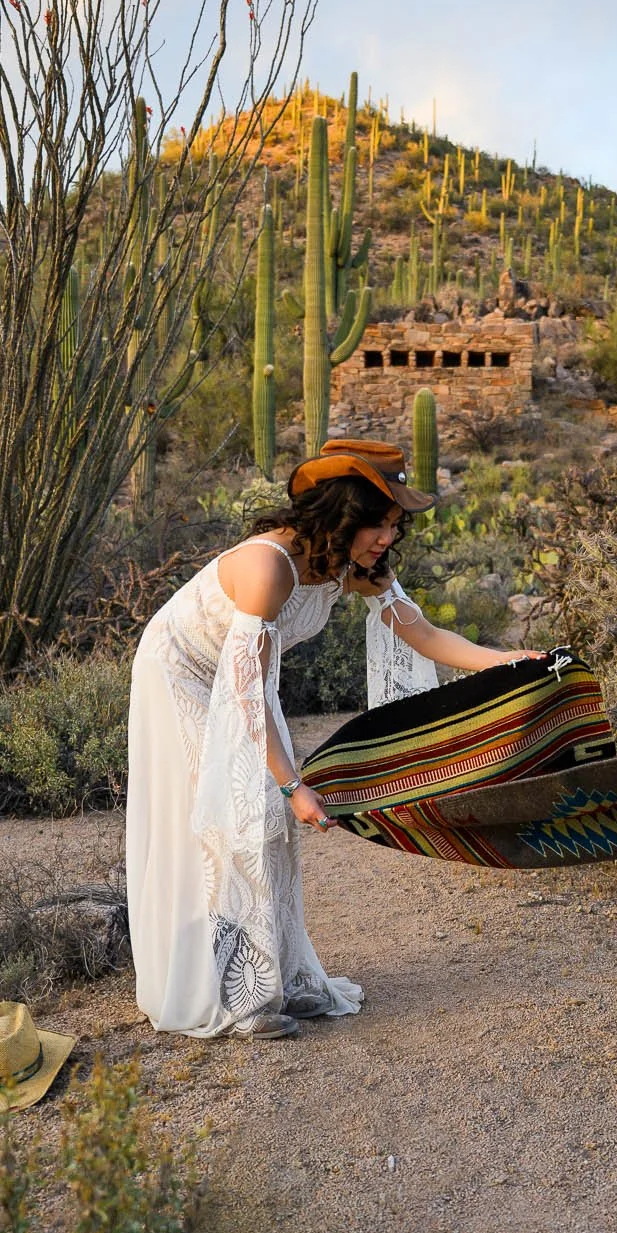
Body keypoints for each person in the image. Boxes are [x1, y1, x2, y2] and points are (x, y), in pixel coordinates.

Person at [126, 439, 539, 1040]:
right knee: (237, 815)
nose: (387, 539)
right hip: (183, 674)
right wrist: (293, 784)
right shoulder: (269, 566)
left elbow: (419, 632)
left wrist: (505, 663)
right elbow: (243, 688)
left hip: (242, 678)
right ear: (344, 513)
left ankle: (275, 979)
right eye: (379, 523)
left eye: (395, 525)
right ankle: (227, 994)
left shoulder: (351, 565)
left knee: (269, 818)